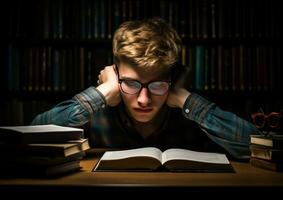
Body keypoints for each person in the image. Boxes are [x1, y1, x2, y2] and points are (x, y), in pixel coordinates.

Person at [31, 18, 259, 160]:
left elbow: (258, 146)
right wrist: (101, 93)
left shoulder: (189, 113)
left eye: (157, 84)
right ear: (115, 75)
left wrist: (185, 100)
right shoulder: (98, 113)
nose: (143, 99)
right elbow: (31, 135)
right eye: (130, 83)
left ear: (174, 78)